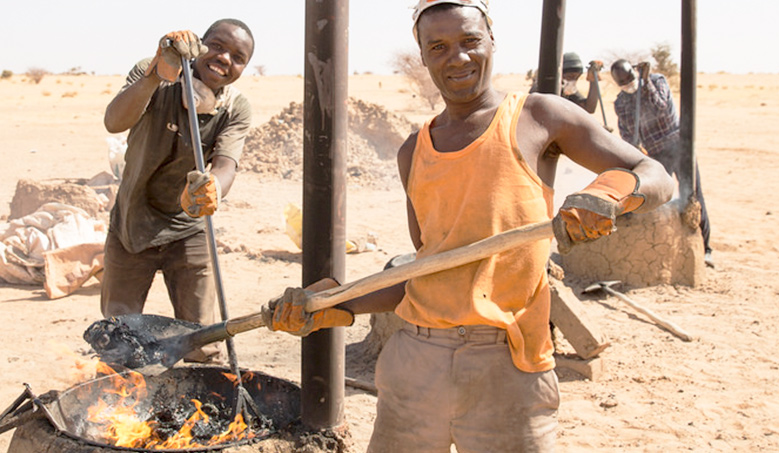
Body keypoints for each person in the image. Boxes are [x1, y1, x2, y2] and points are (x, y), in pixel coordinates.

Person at [267, 1, 674, 451]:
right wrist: (329, 303)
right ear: (422, 56)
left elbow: (654, 174)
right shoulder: (413, 152)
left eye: (469, 41)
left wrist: (610, 194)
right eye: (438, 46)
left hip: (508, 366)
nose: (456, 58)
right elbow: (423, 274)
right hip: (414, 367)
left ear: (492, 40)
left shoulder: (539, 117)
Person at [101, 19, 255, 363]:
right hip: (132, 226)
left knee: (202, 341)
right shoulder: (155, 73)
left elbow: (227, 164)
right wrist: (157, 73)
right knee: (118, 340)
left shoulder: (234, 108)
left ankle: (203, 407)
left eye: (238, 57)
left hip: (190, 233)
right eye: (216, 46)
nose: (225, 58)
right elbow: (114, 121)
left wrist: (213, 187)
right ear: (199, 45)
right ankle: (115, 410)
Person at [610, 59, 713, 265]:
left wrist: (645, 84)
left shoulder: (657, 82)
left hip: (678, 147)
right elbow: (628, 133)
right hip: (655, 156)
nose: (628, 84)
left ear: (634, 73)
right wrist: (633, 148)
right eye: (622, 83)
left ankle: (706, 248)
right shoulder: (621, 103)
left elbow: (662, 109)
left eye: (630, 79)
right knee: (658, 200)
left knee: (691, 193)